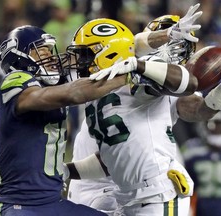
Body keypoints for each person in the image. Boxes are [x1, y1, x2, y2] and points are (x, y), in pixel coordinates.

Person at [67, 5, 202, 215]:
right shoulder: (98, 90)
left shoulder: (142, 73)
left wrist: (138, 66)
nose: (78, 62)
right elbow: (109, 158)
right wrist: (66, 171)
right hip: (127, 196)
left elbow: (189, 83)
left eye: (84, 55)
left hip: (156, 192)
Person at [0, 25, 131, 216]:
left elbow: (102, 49)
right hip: (22, 206)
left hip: (52, 202)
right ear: (19, 57)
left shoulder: (52, 83)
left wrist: (163, 37)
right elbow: (74, 93)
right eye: (41, 51)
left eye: (50, 51)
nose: (50, 57)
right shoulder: (16, 80)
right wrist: (129, 75)